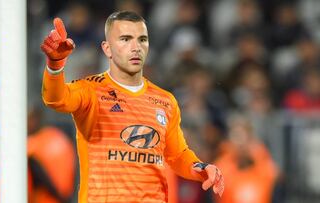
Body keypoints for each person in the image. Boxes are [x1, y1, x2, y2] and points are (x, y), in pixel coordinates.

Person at [40, 11, 224, 202]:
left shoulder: (165, 100)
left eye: (142, 39)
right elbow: (55, 98)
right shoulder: (91, 90)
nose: (136, 47)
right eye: (125, 39)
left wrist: (201, 168)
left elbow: (177, 155)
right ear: (107, 48)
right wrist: (55, 65)